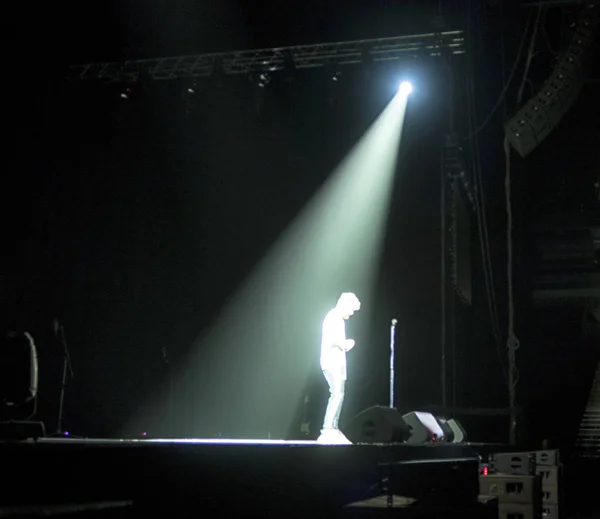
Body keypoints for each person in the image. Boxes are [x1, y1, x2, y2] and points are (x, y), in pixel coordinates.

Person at [318, 292, 361, 444]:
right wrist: (346, 343)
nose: (352, 313)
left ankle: (333, 427)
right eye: (352, 310)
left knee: (339, 394)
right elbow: (332, 340)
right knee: (336, 394)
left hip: (337, 362)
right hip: (332, 362)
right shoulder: (334, 317)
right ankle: (328, 428)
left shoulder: (337, 318)